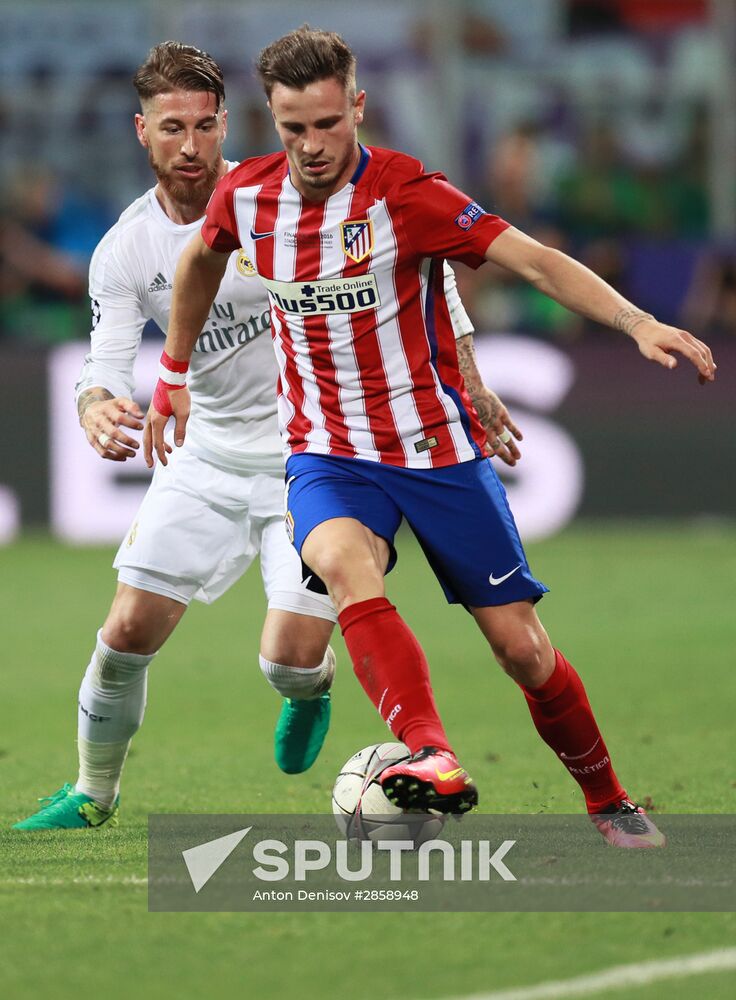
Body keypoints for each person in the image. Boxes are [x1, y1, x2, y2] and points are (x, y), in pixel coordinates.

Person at [146, 27, 716, 848]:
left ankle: (609, 799)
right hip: (328, 452)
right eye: (293, 128)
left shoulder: (407, 194)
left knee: (522, 651)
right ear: (270, 120)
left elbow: (534, 260)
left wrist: (635, 320)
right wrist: (171, 371)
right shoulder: (247, 200)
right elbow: (203, 260)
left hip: (435, 451)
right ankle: (431, 752)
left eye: (328, 124)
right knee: (343, 567)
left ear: (358, 107)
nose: (311, 146)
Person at [13, 41, 501, 833]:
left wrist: (469, 375)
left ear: (224, 125)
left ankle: (311, 690)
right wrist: (96, 407)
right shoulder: (125, 250)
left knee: (287, 658)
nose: (192, 145)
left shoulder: (271, 202)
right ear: (143, 131)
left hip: (316, 459)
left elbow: (423, 268)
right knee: (126, 628)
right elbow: (103, 366)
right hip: (204, 456)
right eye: (173, 127)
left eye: (206, 126)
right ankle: (92, 793)